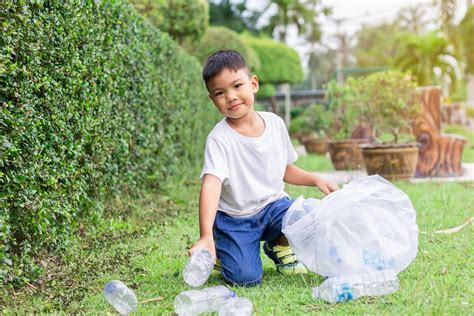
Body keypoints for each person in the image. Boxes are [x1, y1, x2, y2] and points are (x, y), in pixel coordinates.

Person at [189, 50, 339, 286]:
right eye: (220, 92)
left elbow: (282, 169)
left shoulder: (275, 124)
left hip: (273, 208)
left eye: (237, 85)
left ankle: (278, 243)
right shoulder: (219, 139)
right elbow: (211, 184)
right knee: (245, 279)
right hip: (235, 219)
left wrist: (315, 179)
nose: (231, 96)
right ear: (212, 99)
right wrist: (206, 235)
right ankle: (222, 248)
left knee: (309, 215)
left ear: (254, 84)